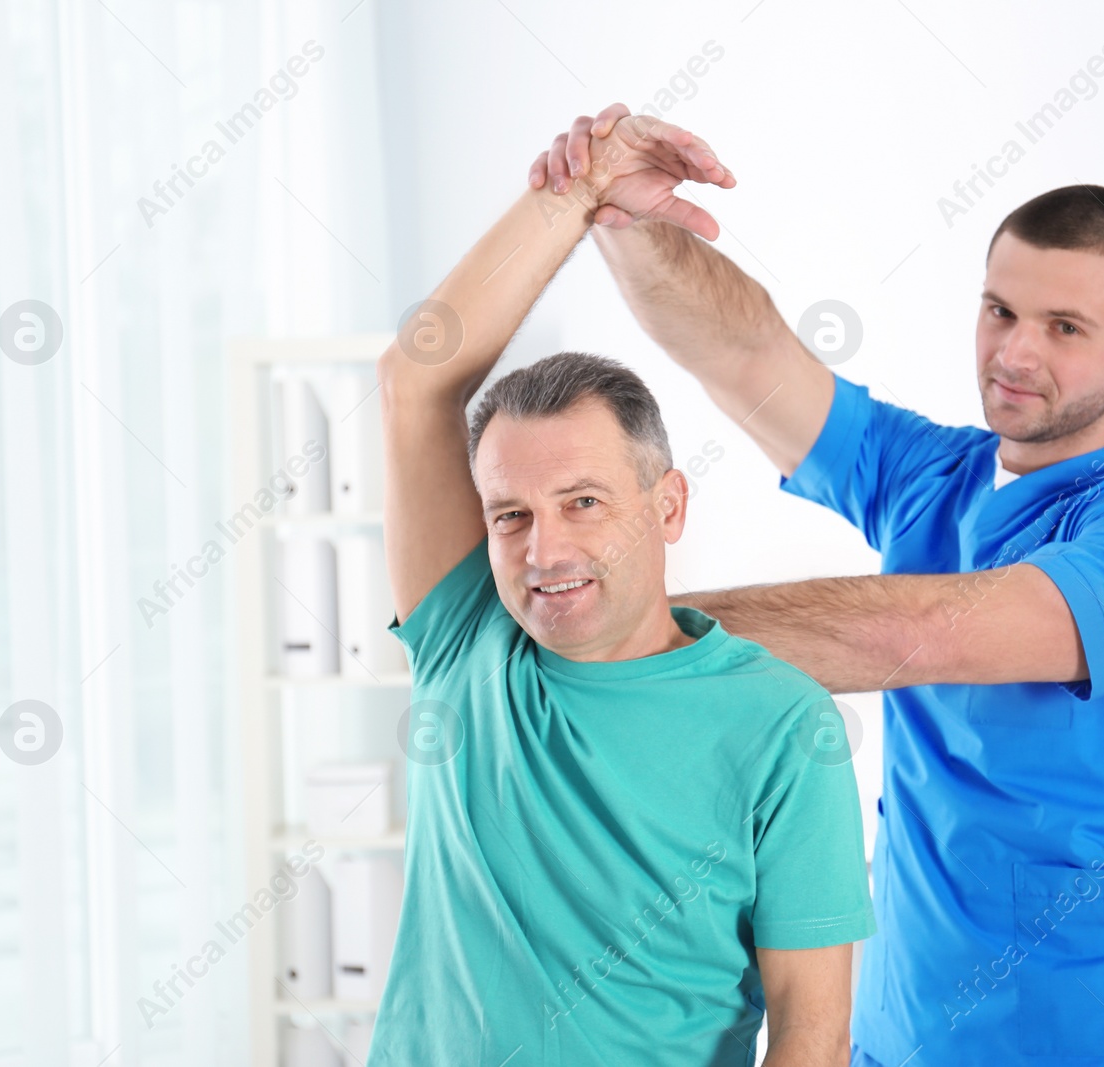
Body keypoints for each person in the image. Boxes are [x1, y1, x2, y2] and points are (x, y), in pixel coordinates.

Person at [532, 103, 1104, 1067]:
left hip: (1092, 1038)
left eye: (1065, 326)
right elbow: (748, 356)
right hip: (899, 1033)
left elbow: (924, 631)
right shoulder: (941, 476)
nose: (1015, 353)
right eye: (999, 309)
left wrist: (612, 630)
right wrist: (622, 221)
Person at [368, 112, 876, 1067]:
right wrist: (574, 191)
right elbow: (414, 379)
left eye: (584, 500)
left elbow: (813, 1034)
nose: (541, 546)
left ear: (668, 505)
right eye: (510, 513)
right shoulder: (466, 637)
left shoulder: (783, 726)